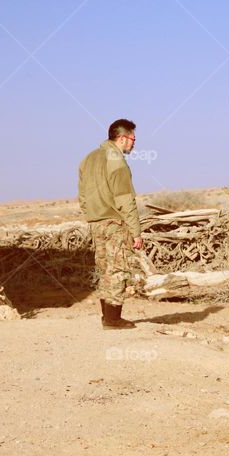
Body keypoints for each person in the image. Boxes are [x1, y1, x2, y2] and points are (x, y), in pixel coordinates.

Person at [78, 119, 143, 329]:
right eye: (133, 139)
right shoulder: (116, 160)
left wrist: (91, 216)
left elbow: (82, 196)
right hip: (114, 222)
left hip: (96, 223)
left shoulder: (88, 158)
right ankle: (113, 319)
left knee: (104, 268)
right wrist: (136, 232)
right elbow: (125, 199)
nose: (134, 144)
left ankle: (107, 317)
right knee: (118, 269)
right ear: (122, 138)